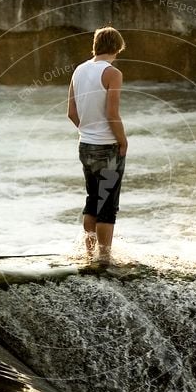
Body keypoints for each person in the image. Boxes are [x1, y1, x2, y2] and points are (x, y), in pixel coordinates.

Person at [67, 26, 127, 266]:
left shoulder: (79, 70)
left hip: (85, 145)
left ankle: (89, 255)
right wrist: (122, 141)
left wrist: (88, 130)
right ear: (117, 47)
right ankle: (104, 259)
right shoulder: (112, 73)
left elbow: (71, 113)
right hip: (107, 147)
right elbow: (112, 114)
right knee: (107, 204)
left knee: (92, 198)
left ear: (96, 45)